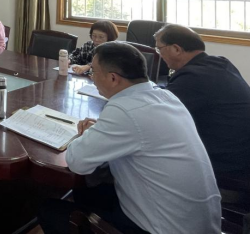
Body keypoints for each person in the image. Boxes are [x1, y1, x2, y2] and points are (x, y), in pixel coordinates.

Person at [38, 42, 220, 234]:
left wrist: (83, 135)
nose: (92, 77)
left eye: (94, 72)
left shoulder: (124, 110)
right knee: (87, 191)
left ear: (113, 78)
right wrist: (101, 132)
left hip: (162, 228)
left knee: (49, 209)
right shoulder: (166, 97)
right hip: (200, 223)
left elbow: (77, 162)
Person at [154, 24, 250, 183]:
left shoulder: (194, 77)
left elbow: (155, 114)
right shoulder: (220, 63)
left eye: (159, 49)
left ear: (176, 49)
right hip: (240, 157)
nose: (159, 54)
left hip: (225, 170)